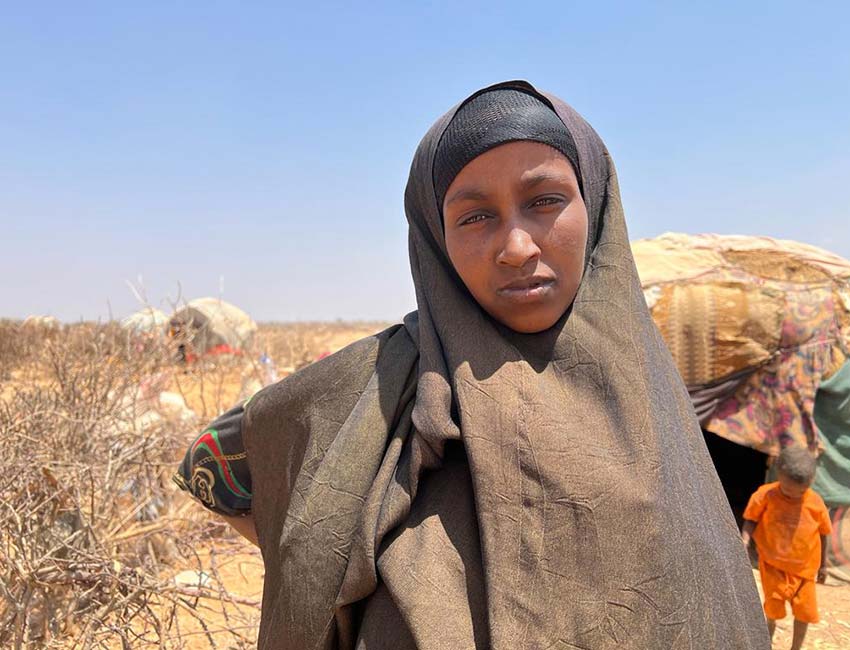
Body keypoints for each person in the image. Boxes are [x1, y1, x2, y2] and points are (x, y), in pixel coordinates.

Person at [174, 80, 769, 649]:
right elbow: (211, 461)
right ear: (435, 236)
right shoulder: (384, 382)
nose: (517, 248)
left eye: (544, 201)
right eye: (475, 216)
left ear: (595, 203)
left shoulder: (645, 386)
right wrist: (318, 558)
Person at [742, 446, 831, 650]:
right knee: (772, 610)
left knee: (805, 613)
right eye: (787, 490)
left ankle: (795, 648)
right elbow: (751, 519)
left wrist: (823, 566)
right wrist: (744, 541)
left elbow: (824, 534)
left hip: (804, 570)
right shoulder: (766, 495)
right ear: (778, 474)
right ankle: (766, 640)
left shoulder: (815, 503)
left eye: (801, 491)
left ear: (810, 482)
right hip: (772, 566)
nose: (794, 495)